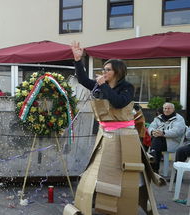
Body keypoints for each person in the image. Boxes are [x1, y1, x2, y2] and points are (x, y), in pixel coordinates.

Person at [64, 42, 164, 215]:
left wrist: (103, 85)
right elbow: (82, 80)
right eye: (103, 69)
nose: (104, 72)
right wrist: (78, 60)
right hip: (106, 134)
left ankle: (131, 200)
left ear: (117, 71)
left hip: (125, 137)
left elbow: (118, 103)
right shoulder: (100, 84)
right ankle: (99, 199)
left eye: (108, 69)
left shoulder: (127, 87)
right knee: (101, 168)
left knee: (127, 171)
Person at [148, 102, 186, 173]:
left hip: (173, 142)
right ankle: (154, 168)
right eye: (165, 108)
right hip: (160, 141)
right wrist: (152, 131)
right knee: (156, 140)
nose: (166, 110)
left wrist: (163, 133)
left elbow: (177, 131)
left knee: (156, 143)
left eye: (169, 108)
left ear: (173, 109)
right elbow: (151, 126)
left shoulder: (179, 119)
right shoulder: (158, 118)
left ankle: (154, 168)